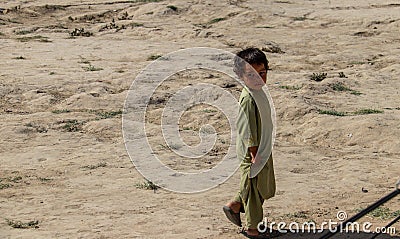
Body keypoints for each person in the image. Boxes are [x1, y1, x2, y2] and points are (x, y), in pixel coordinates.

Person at [223, 48, 276, 238]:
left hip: (262, 147)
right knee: (254, 189)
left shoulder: (259, 91)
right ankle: (253, 229)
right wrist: (254, 152)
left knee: (257, 185)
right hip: (252, 150)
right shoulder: (247, 98)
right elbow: (248, 129)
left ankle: (235, 205)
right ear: (240, 75)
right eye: (251, 75)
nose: (258, 78)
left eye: (262, 73)